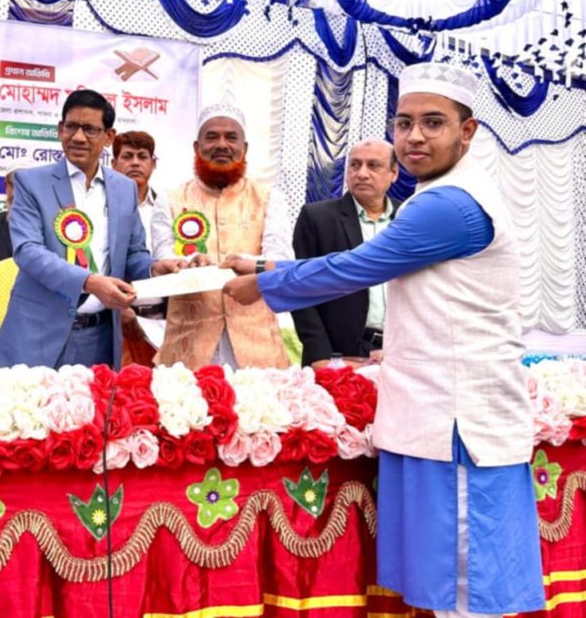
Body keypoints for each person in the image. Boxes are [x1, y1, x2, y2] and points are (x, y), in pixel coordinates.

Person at [222, 62, 544, 618]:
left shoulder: (451, 204)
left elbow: (361, 265)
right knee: (444, 587)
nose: (414, 136)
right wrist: (265, 266)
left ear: (467, 132)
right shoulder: (436, 196)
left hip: (459, 429)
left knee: (466, 588)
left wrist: (264, 285)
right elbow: (367, 258)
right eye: (404, 122)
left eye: (433, 123)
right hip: (435, 418)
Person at [0, 89, 183, 369]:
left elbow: (133, 254)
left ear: (109, 137)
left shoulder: (124, 189)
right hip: (37, 335)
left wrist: (155, 268)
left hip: (100, 338)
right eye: (71, 127)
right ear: (60, 130)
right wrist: (89, 282)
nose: (78, 137)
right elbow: (28, 252)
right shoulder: (31, 182)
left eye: (90, 129)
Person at [151, 104, 290, 370]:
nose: (222, 145)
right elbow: (164, 256)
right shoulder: (170, 199)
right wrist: (186, 263)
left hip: (257, 345)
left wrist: (242, 262)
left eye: (231, 137)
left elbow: (280, 259)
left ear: (244, 148)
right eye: (212, 137)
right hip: (189, 346)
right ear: (197, 147)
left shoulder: (270, 199)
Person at [291, 138, 398, 367]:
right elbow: (301, 288)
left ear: (394, 173)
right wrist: (321, 357)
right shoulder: (318, 218)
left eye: (373, 165)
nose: (362, 174)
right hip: (339, 354)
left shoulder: (408, 218)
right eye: (355, 165)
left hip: (401, 350)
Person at [111, 130, 170, 366]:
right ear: (114, 164)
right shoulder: (102, 208)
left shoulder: (169, 207)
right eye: (127, 156)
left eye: (142, 156)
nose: (135, 163)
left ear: (153, 164)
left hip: (165, 322)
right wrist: (117, 310)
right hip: (120, 320)